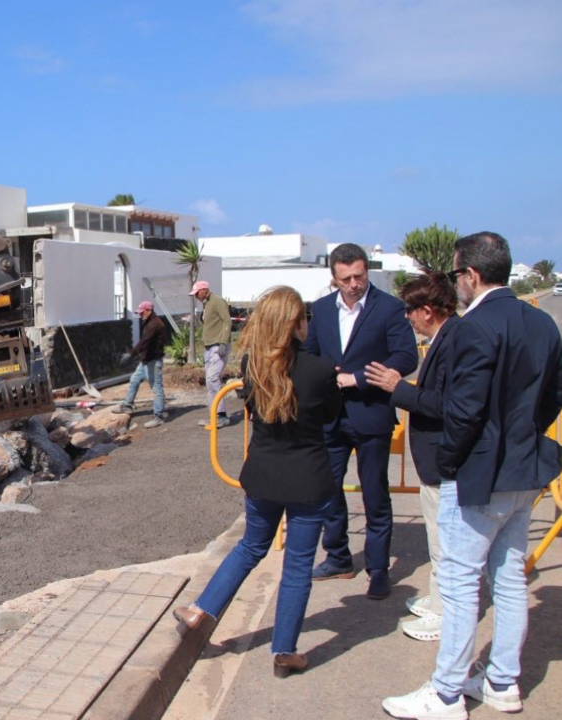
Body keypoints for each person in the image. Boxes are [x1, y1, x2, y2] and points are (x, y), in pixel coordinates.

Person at [383, 233, 562, 720]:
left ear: (472, 276)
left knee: (461, 585)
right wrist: (523, 437)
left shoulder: (473, 327)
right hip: (526, 471)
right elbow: (552, 396)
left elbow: (463, 413)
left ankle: (445, 693)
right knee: (506, 582)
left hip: (480, 474)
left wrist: (450, 465)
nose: (458, 283)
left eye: (459, 274)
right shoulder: (542, 322)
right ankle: (503, 682)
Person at [171, 286, 341, 678]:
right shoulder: (320, 369)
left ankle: (200, 609)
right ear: (297, 323)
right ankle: (284, 651)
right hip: (308, 479)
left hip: (262, 475)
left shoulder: (252, 366)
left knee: (250, 547)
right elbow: (332, 415)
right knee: (297, 565)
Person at [303, 242, 418, 600]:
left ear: (366, 271)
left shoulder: (389, 308)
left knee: (374, 494)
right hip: (331, 417)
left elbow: (406, 356)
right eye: (346, 278)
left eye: (360, 276)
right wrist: (324, 376)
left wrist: (359, 379)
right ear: (334, 278)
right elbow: (309, 354)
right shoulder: (320, 310)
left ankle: (378, 568)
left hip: (371, 415)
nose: (354, 283)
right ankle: (338, 557)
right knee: (327, 490)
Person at [364, 271, 459, 643]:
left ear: (429, 310)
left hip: (442, 460)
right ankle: (438, 601)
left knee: (442, 541)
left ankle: (444, 612)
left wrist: (397, 389)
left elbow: (443, 403)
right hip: (435, 461)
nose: (407, 318)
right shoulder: (443, 337)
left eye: (411, 310)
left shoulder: (452, 341)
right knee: (437, 539)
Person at [114, 300, 168, 428]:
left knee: (157, 388)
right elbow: (144, 343)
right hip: (146, 360)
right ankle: (127, 405)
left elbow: (144, 342)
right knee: (134, 380)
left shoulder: (154, 324)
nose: (140, 315)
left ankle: (158, 416)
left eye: (142, 312)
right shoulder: (150, 322)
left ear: (149, 311)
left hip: (153, 362)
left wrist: (131, 355)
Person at [188, 280, 232, 428]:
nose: (196, 297)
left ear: (204, 290)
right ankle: (214, 415)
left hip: (218, 346)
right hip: (209, 346)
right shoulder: (206, 304)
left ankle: (222, 416)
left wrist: (223, 342)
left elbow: (227, 321)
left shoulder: (217, 301)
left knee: (213, 379)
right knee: (209, 382)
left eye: (197, 293)